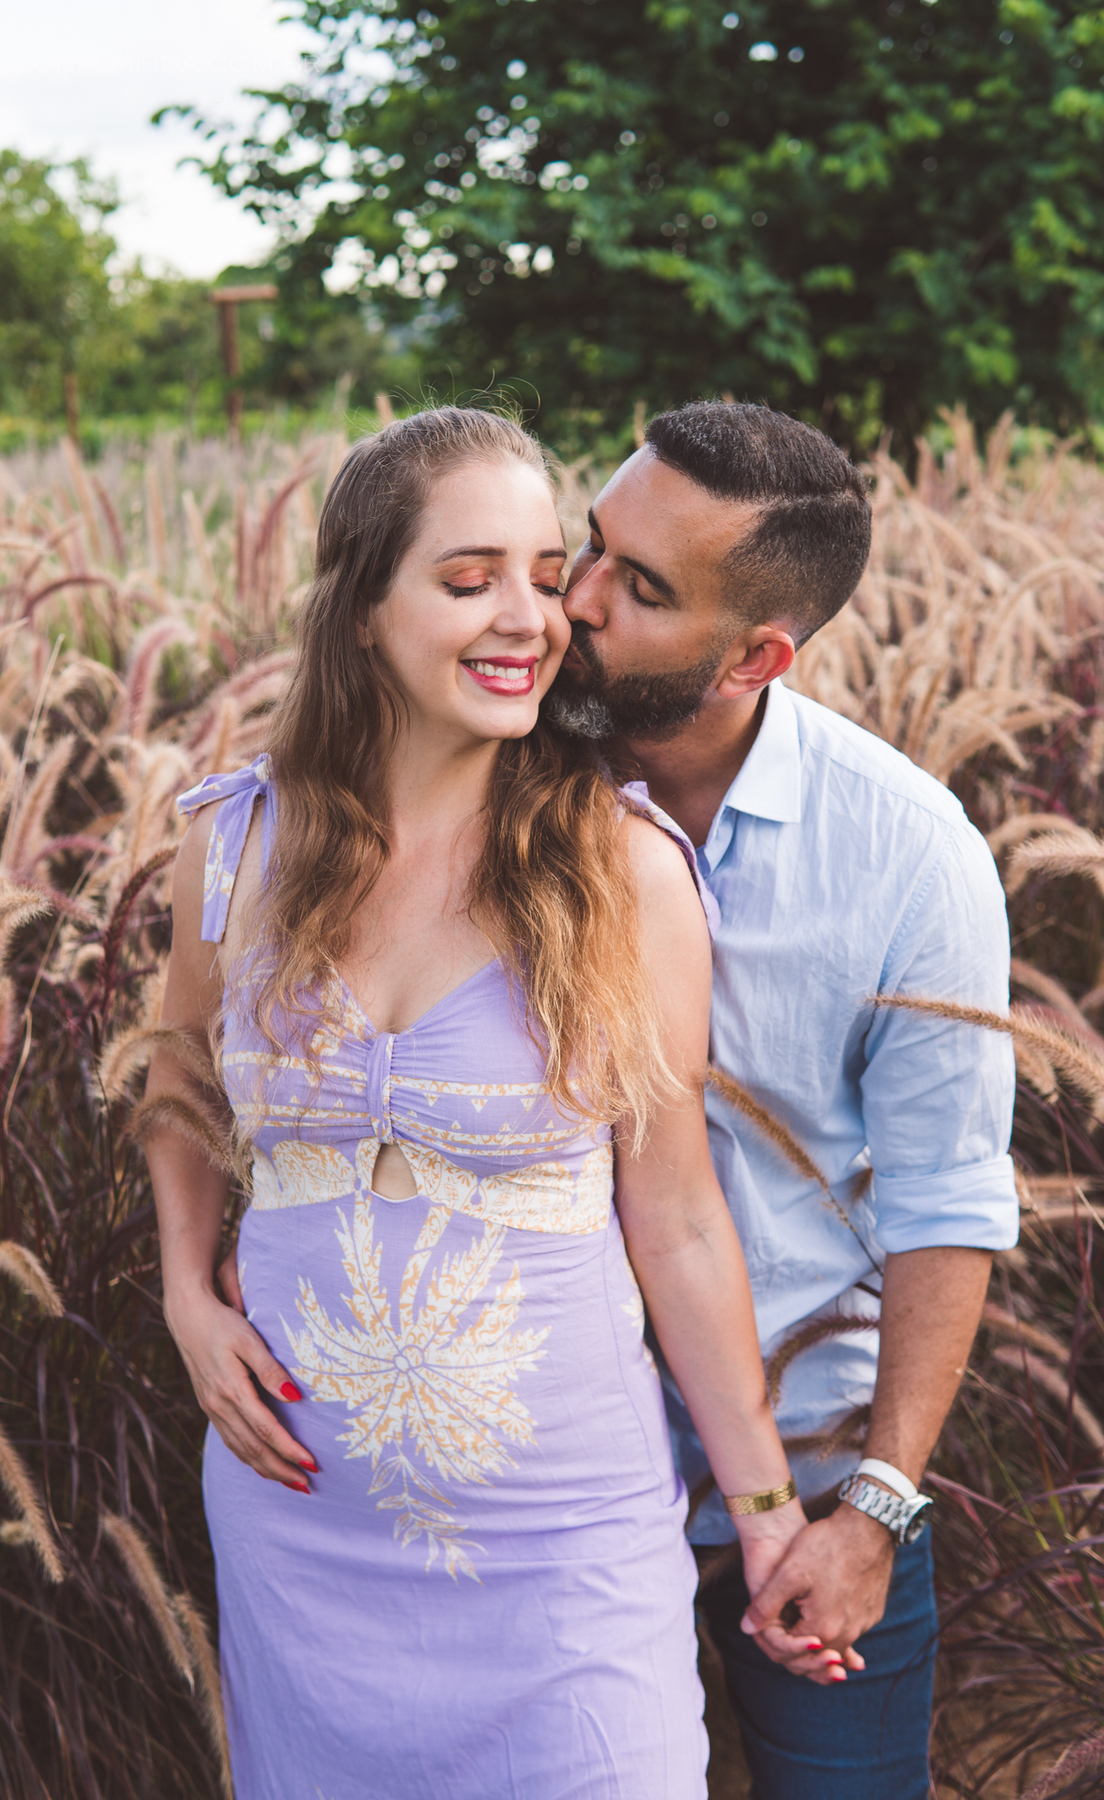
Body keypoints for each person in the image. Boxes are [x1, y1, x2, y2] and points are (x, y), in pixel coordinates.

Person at [143, 407, 824, 1800]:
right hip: (300, 1525)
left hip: (562, 1542)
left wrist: (765, 1514)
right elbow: (177, 1083)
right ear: (362, 610)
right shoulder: (233, 846)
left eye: (542, 568)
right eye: (468, 580)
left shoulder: (620, 871)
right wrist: (184, 1294)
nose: (531, 616)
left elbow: (679, 1214)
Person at [547, 399, 1019, 1800]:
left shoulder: (908, 852)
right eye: (591, 548)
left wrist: (875, 1510)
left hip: (815, 1478)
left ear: (757, 656)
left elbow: (947, 1199)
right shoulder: (499, 794)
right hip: (550, 1466)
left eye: (639, 590)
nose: (571, 603)